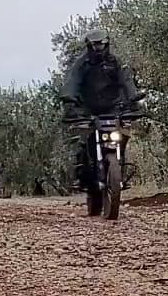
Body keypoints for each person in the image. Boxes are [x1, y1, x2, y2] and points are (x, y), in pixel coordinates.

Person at [57, 28, 142, 190]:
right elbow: (72, 82)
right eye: (95, 47)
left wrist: (133, 98)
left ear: (107, 44)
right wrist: (69, 100)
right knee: (83, 139)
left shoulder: (115, 62)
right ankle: (81, 174)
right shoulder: (81, 64)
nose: (99, 50)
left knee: (123, 136)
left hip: (113, 107)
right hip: (88, 109)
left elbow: (126, 80)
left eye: (101, 46)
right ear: (89, 47)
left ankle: (120, 170)